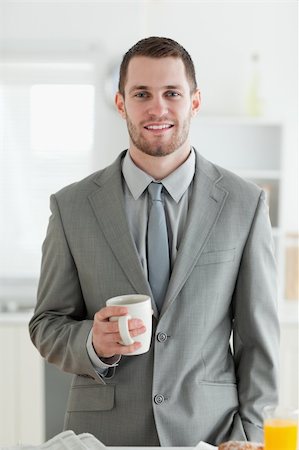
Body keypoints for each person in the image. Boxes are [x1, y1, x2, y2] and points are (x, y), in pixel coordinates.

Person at [29, 36, 279, 447]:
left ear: (195, 101)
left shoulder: (244, 204)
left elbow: (258, 343)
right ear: (121, 103)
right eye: (141, 93)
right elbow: (46, 324)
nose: (157, 108)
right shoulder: (72, 206)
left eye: (172, 93)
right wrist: (91, 342)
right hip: (104, 436)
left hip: (211, 435)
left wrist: (253, 435)